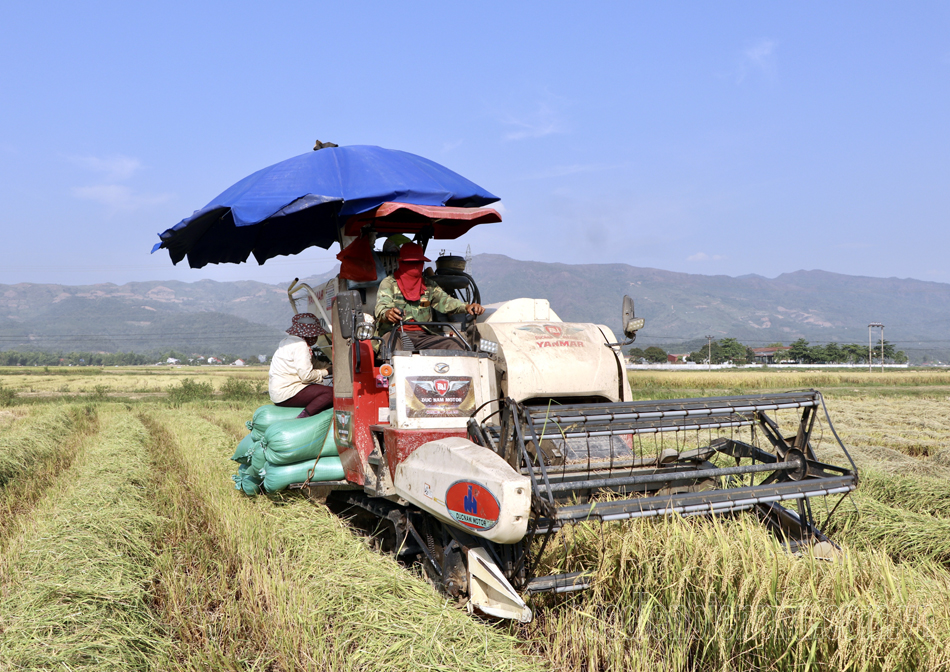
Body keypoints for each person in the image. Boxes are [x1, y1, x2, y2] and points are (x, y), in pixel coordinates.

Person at [375, 242, 485, 350]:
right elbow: (381, 308)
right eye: (410, 263)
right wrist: (388, 313)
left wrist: (467, 307)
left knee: (457, 344)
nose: (415, 267)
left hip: (423, 336)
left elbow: (446, 301)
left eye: (419, 263)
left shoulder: (429, 285)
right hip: (395, 334)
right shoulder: (389, 283)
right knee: (393, 348)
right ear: (401, 263)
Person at [269, 313, 333, 418]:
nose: (315, 337)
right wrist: (327, 372)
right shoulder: (301, 345)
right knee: (330, 393)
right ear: (309, 335)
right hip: (288, 392)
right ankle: (302, 418)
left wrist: (328, 365)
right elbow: (306, 376)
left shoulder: (288, 341)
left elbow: (312, 362)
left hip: (278, 392)